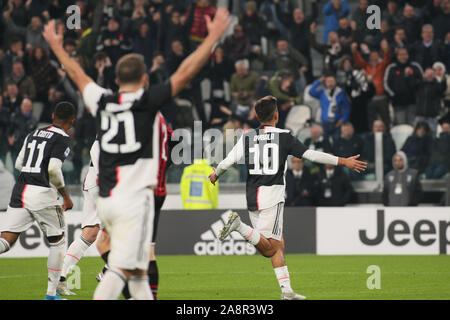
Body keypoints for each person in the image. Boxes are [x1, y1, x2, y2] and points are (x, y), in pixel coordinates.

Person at [43, 8, 231, 300]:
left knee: (125, 262)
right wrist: (214, 36)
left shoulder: (103, 101)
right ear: (145, 79)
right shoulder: (148, 103)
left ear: (116, 80)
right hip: (136, 200)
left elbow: (78, 75)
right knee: (124, 267)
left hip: (107, 198)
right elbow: (185, 71)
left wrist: (56, 46)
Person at [208, 96, 367, 300]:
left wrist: (215, 174)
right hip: (271, 196)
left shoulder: (247, 137)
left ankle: (287, 291)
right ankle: (238, 225)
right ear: (276, 115)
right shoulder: (284, 136)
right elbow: (310, 155)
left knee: (278, 246)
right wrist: (343, 161)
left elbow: (228, 161)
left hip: (252, 196)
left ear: (257, 117)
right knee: (270, 248)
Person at [0, 102, 75, 300]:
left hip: (20, 191)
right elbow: (53, 169)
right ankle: (51, 296)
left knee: (5, 241)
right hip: (42, 193)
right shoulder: (63, 139)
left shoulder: (33, 134)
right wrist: (65, 196)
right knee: (58, 242)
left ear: (52, 116)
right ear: (72, 120)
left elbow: (18, 164)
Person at [95, 112, 174, 300]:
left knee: (105, 244)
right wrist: (162, 169)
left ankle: (124, 287)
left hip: (135, 190)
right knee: (147, 253)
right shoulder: (161, 119)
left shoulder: (137, 116)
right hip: (156, 190)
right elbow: (174, 141)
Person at [57, 139, 100, 296]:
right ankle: (110, 271)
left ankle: (60, 277)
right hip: (102, 183)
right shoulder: (117, 124)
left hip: (92, 182)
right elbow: (96, 148)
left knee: (89, 234)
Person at [384, 48, 423, 125]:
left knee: (412, 125)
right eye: (401, 54)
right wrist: (394, 96)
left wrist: (410, 77)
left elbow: (422, 81)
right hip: (398, 103)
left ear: (408, 55)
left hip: (412, 102)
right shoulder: (392, 68)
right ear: (397, 56)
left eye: (405, 54)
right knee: (401, 125)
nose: (403, 56)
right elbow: (386, 84)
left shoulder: (415, 66)